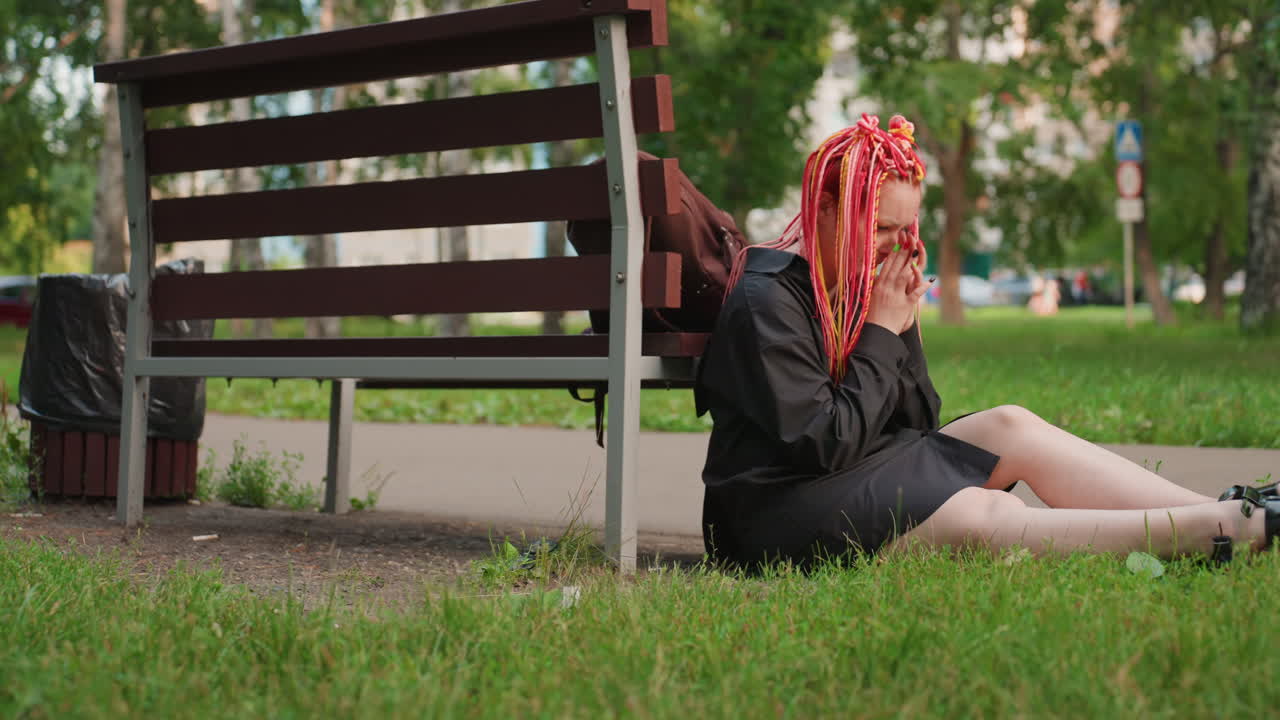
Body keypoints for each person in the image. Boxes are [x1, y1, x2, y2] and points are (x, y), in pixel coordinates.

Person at [693, 113, 1276, 571]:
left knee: (1009, 425)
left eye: (905, 230)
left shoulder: (854, 283)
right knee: (981, 512)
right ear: (825, 209)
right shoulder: (766, 299)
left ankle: (1225, 506)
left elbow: (917, 426)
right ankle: (1218, 532)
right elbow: (824, 445)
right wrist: (879, 332)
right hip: (774, 514)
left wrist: (901, 324)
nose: (895, 246)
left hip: (852, 472)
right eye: (881, 228)